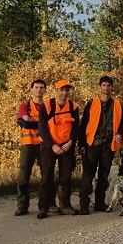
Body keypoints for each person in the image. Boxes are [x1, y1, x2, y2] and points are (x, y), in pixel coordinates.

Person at [78, 76, 123, 215]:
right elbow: (83, 124)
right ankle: (84, 205)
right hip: (92, 144)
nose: (106, 88)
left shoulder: (117, 105)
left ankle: (99, 203)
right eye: (104, 85)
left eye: (109, 85)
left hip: (108, 145)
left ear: (111, 88)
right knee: (88, 175)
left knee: (104, 175)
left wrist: (120, 134)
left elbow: (122, 123)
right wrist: (82, 144)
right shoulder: (92, 103)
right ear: (100, 87)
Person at [37, 80, 80, 219]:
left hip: (67, 146)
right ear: (56, 90)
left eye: (67, 90)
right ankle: (44, 207)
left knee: (65, 178)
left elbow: (76, 128)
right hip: (50, 147)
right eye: (62, 90)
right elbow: (42, 128)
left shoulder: (73, 106)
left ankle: (65, 206)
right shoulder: (47, 105)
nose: (64, 93)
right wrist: (52, 145)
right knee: (46, 178)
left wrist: (71, 142)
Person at [15, 79, 47, 216]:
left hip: (43, 146)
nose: (39, 90)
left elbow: (51, 126)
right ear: (31, 90)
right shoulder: (25, 106)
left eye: (41, 87)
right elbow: (25, 124)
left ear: (45, 90)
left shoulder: (48, 107)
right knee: (23, 177)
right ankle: (22, 205)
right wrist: (41, 124)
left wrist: (32, 121)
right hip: (28, 145)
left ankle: (45, 206)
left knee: (46, 177)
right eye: (36, 87)